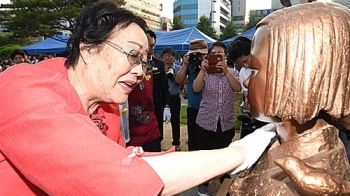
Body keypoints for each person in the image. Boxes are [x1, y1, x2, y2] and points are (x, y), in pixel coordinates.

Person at [0, 1, 276, 195]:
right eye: (133, 55)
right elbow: (118, 181)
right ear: (88, 47)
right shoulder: (27, 90)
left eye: (144, 62)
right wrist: (240, 153)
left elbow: (129, 163)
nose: (140, 72)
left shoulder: (106, 108)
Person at [229, 2, 350, 195]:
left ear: (299, 78)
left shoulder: (315, 173)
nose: (246, 83)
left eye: (256, 70)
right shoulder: (282, 143)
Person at [192, 41, 241, 195]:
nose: (216, 56)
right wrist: (202, 70)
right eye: (213, 53)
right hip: (206, 121)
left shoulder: (233, 72)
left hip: (225, 122)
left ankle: (223, 178)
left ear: (225, 57)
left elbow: (237, 88)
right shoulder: (205, 74)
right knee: (205, 154)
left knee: (223, 152)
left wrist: (227, 72)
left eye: (220, 53)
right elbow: (196, 88)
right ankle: (203, 182)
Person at [229, 36, 267, 138]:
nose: (245, 65)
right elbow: (246, 94)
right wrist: (248, 98)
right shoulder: (243, 72)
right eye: (241, 64)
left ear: (253, 52)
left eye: (246, 61)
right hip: (259, 115)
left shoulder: (268, 64)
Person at [174, 39, 207, 151]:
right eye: (195, 54)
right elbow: (178, 80)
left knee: (206, 140)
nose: (197, 57)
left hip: (208, 108)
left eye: (200, 54)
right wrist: (185, 64)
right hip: (193, 106)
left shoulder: (209, 64)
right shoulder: (190, 64)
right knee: (193, 139)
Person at [145, 29, 171, 141]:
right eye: (148, 45)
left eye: (152, 46)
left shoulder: (159, 64)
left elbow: (164, 87)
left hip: (156, 105)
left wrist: (167, 106)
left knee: (157, 136)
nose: (150, 49)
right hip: (138, 107)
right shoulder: (133, 63)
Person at [162, 47, 182, 151]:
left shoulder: (178, 68)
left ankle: (176, 142)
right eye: (165, 56)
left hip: (174, 97)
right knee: (158, 120)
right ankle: (159, 140)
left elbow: (181, 82)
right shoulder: (160, 67)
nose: (167, 58)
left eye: (169, 55)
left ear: (174, 57)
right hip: (162, 98)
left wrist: (172, 77)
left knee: (175, 121)